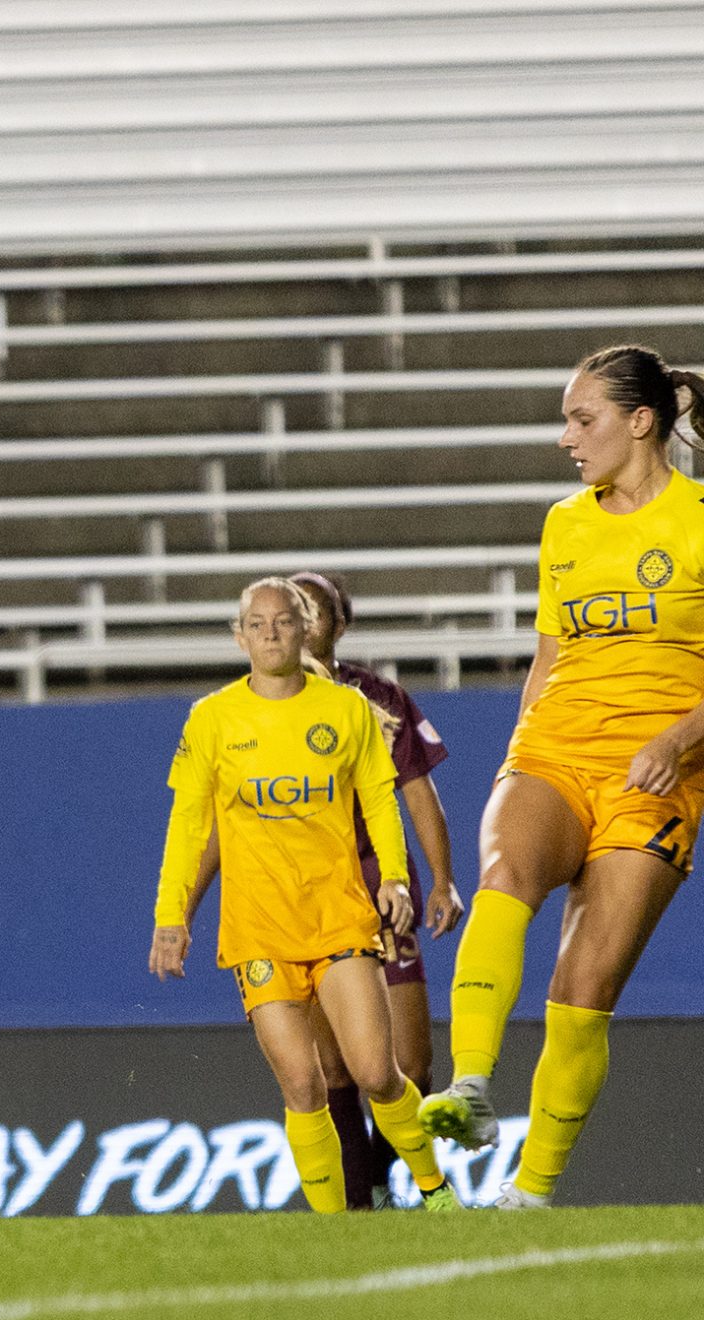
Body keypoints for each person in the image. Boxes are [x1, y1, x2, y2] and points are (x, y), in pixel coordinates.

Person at [419, 345, 704, 1206]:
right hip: (554, 748)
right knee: (505, 874)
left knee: (584, 986)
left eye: (583, 420)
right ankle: (469, 1086)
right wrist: (519, 748)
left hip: (658, 775)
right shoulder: (564, 522)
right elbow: (551, 655)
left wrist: (684, 737)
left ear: (641, 421)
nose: (565, 439)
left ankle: (530, 1193)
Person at [151, 580, 458, 1215]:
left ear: (308, 628)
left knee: (378, 1072)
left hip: (338, 914)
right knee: (302, 1083)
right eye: (256, 624)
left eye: (283, 622)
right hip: (258, 927)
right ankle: (332, 1227)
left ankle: (435, 1190)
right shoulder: (211, 718)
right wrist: (170, 916)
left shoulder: (347, 709)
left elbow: (380, 796)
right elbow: (189, 825)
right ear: (239, 637)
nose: (270, 633)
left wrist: (397, 878)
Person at [290, 569, 466, 1206]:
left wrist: (442, 881)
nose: (301, 621)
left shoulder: (382, 700)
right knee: (334, 1067)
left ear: (341, 624)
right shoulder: (252, 707)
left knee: (410, 1065)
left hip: (380, 888)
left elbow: (420, 794)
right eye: (292, 608)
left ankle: (385, 1170)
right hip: (306, 895)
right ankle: (360, 1201)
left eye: (315, 610)